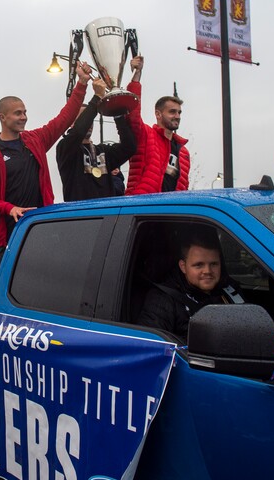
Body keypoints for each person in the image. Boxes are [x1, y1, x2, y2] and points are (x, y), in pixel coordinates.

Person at [0, 62, 92, 272]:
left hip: (39, 237)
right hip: (7, 241)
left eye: (25, 112)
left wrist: (81, 83)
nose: (24, 117)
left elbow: (64, 119)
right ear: (2, 117)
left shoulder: (35, 140)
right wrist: (10, 209)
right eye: (18, 113)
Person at [136, 227, 242, 342]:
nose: (208, 271)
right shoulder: (163, 300)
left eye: (214, 264)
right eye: (199, 265)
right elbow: (151, 348)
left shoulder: (229, 289)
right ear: (183, 267)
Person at [55, 77, 136, 202]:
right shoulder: (65, 148)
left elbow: (129, 147)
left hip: (106, 215)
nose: (89, 124)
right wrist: (97, 97)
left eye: (90, 120)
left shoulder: (103, 151)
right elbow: (78, 132)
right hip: (79, 216)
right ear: (71, 123)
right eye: (84, 119)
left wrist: (117, 114)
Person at [124, 55, 191, 195]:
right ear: (158, 114)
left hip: (171, 212)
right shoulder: (146, 135)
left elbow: (184, 187)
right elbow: (132, 115)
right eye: (172, 112)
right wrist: (136, 77)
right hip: (142, 209)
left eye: (179, 112)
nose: (177, 116)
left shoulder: (183, 152)